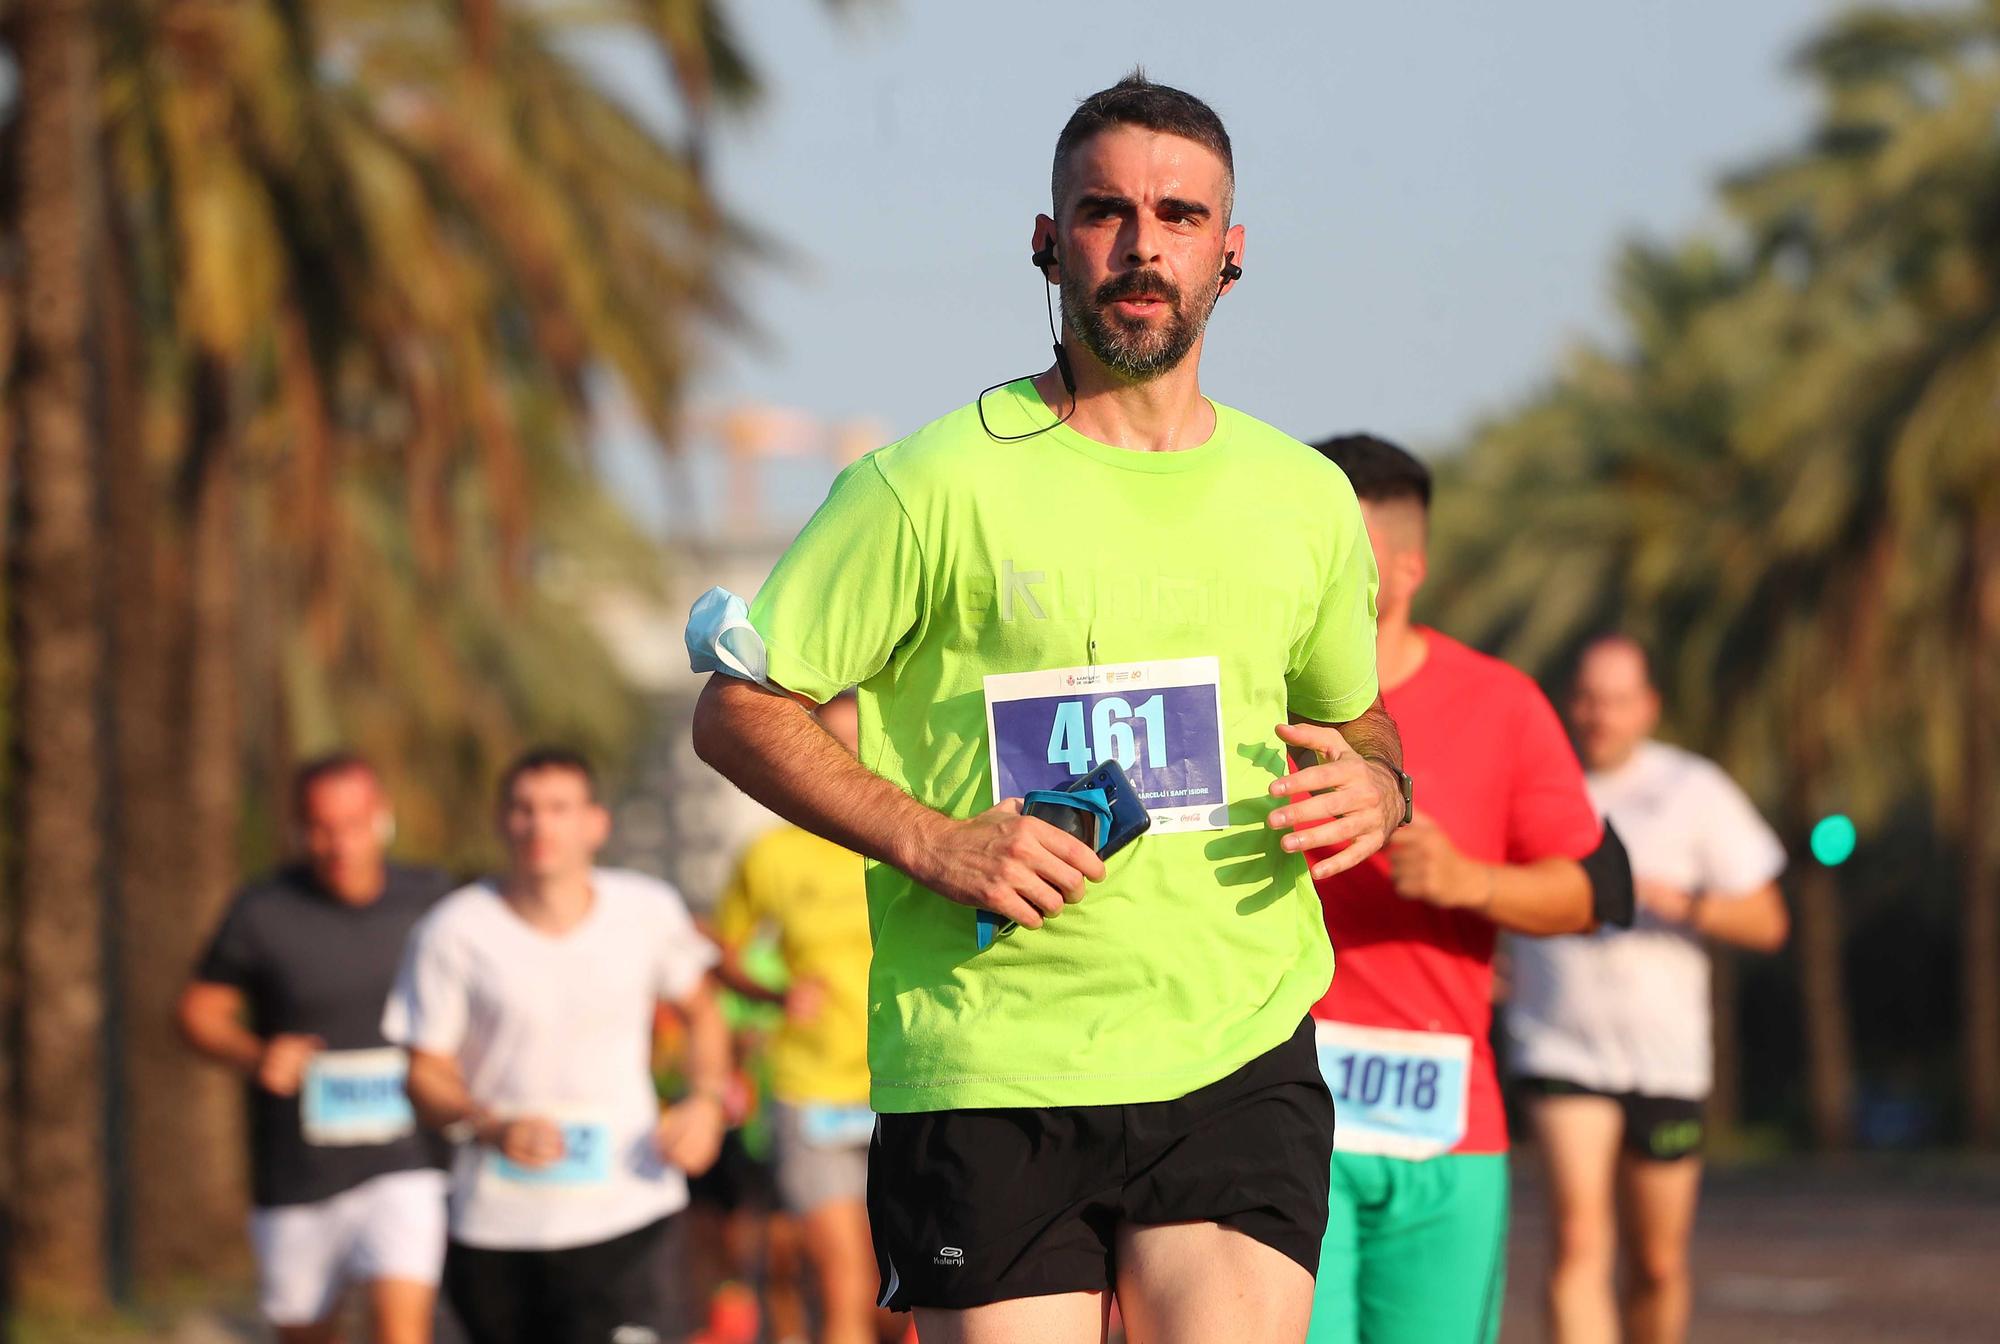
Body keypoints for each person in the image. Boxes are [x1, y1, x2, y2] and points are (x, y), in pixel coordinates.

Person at [690, 72, 1405, 1344]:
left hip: (1233, 1048)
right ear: (1046, 241)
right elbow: (738, 709)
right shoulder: (925, 485)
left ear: (1228, 255)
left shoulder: (1300, 498)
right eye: (1104, 212)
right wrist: (933, 840)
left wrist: (1382, 783)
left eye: (1179, 217)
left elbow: (1355, 721)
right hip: (990, 1064)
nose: (1141, 247)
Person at [1301, 436, 1618, 1344]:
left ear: (1407, 569)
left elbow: (1587, 894)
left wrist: (1471, 882)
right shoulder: (1252, 695)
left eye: (1344, 550)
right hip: (1279, 1113)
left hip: (1444, 1126)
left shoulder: (1503, 703)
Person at [386, 747, 731, 1344]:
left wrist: (704, 1101)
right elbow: (423, 1071)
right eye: (524, 809)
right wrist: (486, 1124)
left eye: (559, 808)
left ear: (596, 824)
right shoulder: (452, 930)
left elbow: (703, 1014)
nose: (540, 825)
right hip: (498, 1226)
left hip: (631, 1210)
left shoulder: (646, 911)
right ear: (501, 821)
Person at [1507, 635, 1790, 1344]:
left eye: (1617, 701)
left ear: (1649, 708)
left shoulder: (1694, 789)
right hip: (1560, 1047)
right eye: (1587, 698)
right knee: (1577, 1243)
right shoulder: (1539, 782)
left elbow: (1769, 921)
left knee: (1657, 1263)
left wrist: (1681, 903)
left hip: (1666, 1061)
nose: (1599, 715)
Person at [178, 753, 453, 1344]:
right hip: (298, 1176)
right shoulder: (262, 910)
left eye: (353, 824)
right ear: (299, 828)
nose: (340, 843)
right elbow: (199, 1011)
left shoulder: (432, 900)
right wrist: (256, 1055)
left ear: (383, 819)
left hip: (406, 1164)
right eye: (323, 827)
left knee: (403, 1331)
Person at [711, 692, 901, 1344]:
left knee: (901, 1290)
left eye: (861, 745)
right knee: (841, 1279)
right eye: (832, 745)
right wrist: (774, 995)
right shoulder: (773, 854)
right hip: (810, 1085)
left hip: (907, 1079)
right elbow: (715, 948)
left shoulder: (912, 831)